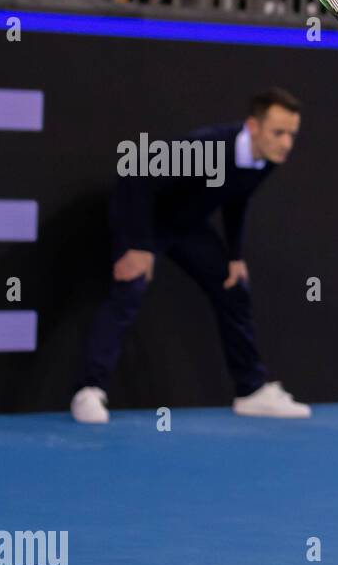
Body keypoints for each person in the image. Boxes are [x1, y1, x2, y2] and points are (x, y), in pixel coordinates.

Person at [71, 89, 312, 423]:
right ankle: (89, 391)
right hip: (143, 216)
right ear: (253, 127)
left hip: (185, 226)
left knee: (233, 287)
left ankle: (251, 391)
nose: (287, 143)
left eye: (292, 134)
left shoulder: (266, 158)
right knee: (131, 290)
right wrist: (138, 245)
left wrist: (234, 254)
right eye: (278, 132)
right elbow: (136, 176)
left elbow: (238, 197)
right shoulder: (209, 148)